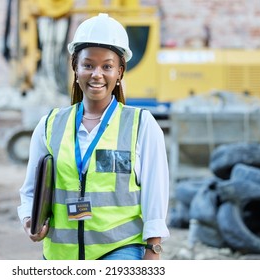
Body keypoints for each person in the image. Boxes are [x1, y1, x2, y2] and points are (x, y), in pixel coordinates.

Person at [17, 13, 170, 260]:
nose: (97, 74)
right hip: (60, 255)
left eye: (107, 66)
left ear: (120, 72)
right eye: (88, 65)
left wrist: (153, 249)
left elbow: (155, 191)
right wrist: (28, 218)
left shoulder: (141, 125)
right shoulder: (50, 124)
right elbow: (30, 191)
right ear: (75, 68)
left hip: (118, 249)